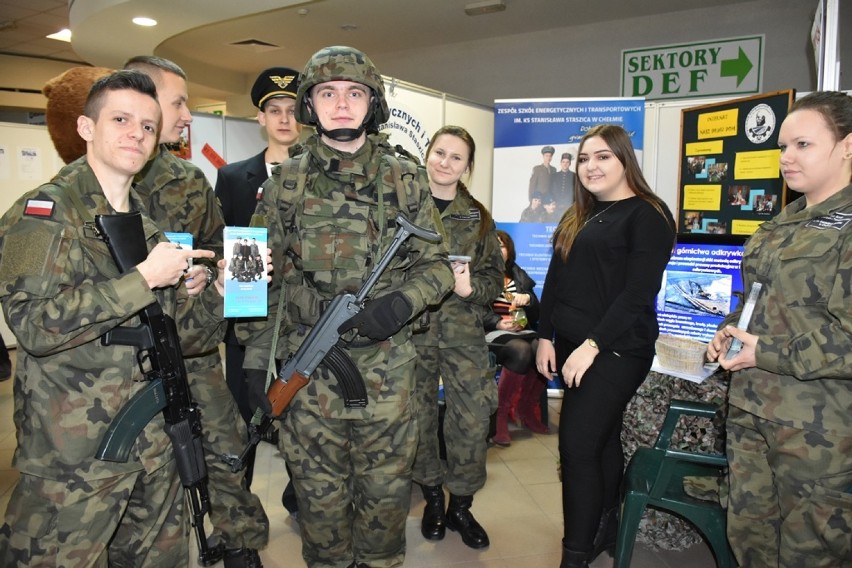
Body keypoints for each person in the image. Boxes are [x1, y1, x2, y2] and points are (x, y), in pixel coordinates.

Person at [238, 45, 454, 567]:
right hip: (307, 378)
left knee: (383, 506)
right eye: (327, 93)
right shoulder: (284, 183)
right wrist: (251, 362)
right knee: (320, 508)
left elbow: (441, 266)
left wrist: (402, 303)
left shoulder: (405, 179)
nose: (341, 104)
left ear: (371, 104)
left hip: (387, 376)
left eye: (354, 93)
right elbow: (251, 276)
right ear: (310, 104)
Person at [0, 70, 225, 566]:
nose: (136, 134)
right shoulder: (42, 214)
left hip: (154, 440)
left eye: (148, 126)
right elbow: (33, 326)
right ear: (85, 127)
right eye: (120, 119)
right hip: (77, 456)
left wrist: (214, 293)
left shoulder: (142, 221)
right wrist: (144, 278)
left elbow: (178, 336)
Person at [124, 55, 268, 567]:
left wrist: (216, 273)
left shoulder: (188, 179)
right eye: (178, 102)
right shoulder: (100, 182)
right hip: (128, 365)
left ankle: (240, 542)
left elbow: (215, 246)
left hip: (195, 349)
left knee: (228, 449)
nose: (187, 115)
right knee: (145, 472)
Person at [706, 91, 852, 568]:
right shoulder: (782, 223)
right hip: (752, 409)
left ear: (847, 146)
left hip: (817, 431)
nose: (786, 157)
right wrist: (731, 328)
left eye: (803, 145)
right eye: (783, 146)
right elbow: (757, 300)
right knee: (751, 542)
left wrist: (764, 352)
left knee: (811, 553)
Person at [534, 124, 675, 568]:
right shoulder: (580, 213)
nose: (590, 167)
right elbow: (555, 281)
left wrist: (593, 344)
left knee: (575, 447)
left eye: (602, 157)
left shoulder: (648, 215)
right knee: (602, 440)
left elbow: (638, 293)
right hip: (577, 345)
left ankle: (574, 554)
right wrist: (544, 335)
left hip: (617, 349)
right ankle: (604, 528)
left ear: (624, 160)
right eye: (583, 159)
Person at [214, 66, 305, 515]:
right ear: (260, 118)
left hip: (303, 323)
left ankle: (302, 496)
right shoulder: (234, 178)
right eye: (275, 110)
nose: (284, 119)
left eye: (291, 110)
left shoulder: (319, 175)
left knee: (304, 419)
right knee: (243, 420)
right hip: (249, 318)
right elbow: (226, 246)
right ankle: (240, 516)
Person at [410, 125, 503, 550]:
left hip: (462, 331)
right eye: (439, 153)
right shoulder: (403, 204)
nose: (444, 163)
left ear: (467, 167)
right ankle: (431, 497)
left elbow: (493, 280)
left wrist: (470, 289)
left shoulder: (478, 217)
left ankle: (460, 505)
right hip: (412, 332)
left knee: (471, 418)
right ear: (427, 154)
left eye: (456, 157)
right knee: (420, 418)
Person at [483, 229, 548, 447]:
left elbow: (537, 315)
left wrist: (528, 300)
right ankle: (501, 414)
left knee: (544, 347)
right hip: (490, 333)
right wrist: (497, 322)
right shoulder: (479, 275)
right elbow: (472, 310)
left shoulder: (519, 276)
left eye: (502, 245)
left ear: (509, 251)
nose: (498, 249)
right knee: (521, 350)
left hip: (520, 330)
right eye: (494, 244)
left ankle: (526, 409)